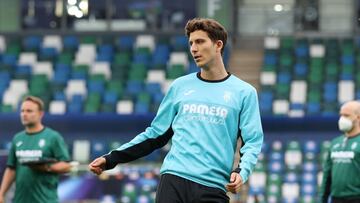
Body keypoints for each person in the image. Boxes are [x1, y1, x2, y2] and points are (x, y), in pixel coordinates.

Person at [89, 17, 263, 202]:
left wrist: (241, 172)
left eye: (200, 41)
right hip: (174, 180)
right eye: (191, 43)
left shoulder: (244, 92)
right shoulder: (180, 86)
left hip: (213, 187)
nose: (194, 49)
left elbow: (252, 142)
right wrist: (112, 158)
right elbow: (156, 134)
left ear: (218, 45)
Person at [0, 96, 71, 203]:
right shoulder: (17, 138)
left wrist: (45, 167)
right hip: (20, 200)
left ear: (40, 114)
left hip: (45, 200)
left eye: (29, 111)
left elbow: (66, 166)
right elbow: (11, 169)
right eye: (22, 111)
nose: (24, 114)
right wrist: (1, 193)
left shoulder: (52, 137)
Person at [319, 101, 360, 203]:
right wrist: (322, 199)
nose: (342, 119)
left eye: (347, 115)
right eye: (341, 115)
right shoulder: (335, 143)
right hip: (336, 199)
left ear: (358, 118)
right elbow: (327, 175)